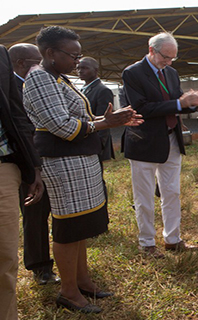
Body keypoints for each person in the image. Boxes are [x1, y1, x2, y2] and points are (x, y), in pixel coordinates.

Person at [23, 26, 142, 313]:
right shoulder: (40, 78)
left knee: (81, 227)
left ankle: (83, 280)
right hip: (62, 163)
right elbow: (62, 126)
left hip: (79, 161)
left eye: (79, 56)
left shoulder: (59, 78)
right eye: (72, 55)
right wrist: (105, 124)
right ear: (50, 53)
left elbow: (79, 118)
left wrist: (109, 118)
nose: (77, 61)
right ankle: (68, 291)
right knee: (68, 227)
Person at [122, 32, 198, 256]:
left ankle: (173, 239)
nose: (169, 62)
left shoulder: (171, 73)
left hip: (171, 138)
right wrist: (179, 103)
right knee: (144, 196)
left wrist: (192, 103)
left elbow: (176, 101)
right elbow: (141, 108)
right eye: (165, 57)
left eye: (173, 58)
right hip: (144, 142)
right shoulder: (133, 73)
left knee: (172, 192)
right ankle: (147, 243)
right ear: (152, 50)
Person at [8, 43, 59, 285]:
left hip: (52, 159)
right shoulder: (11, 89)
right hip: (28, 163)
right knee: (34, 214)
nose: (40, 66)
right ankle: (40, 267)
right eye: (34, 62)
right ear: (20, 64)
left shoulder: (42, 84)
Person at [0, 44, 44, 320]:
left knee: (4, 258)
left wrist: (33, 167)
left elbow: (16, 113)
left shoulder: (0, 55)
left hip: (3, 168)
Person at [78, 57, 115, 162]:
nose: (80, 71)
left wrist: (100, 144)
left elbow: (105, 120)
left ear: (96, 70)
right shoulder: (82, 89)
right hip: (86, 140)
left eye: (85, 68)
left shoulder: (102, 90)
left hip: (95, 142)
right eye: (78, 68)